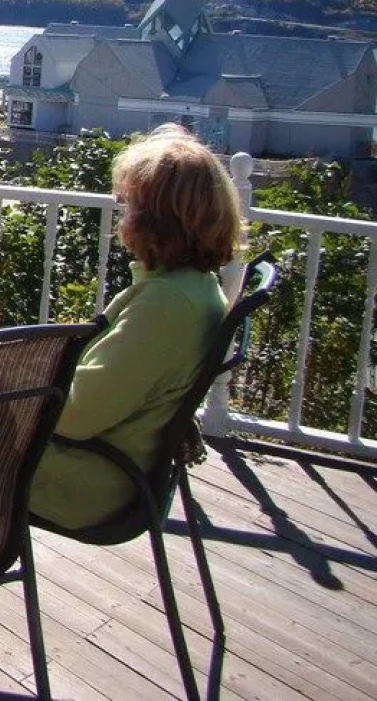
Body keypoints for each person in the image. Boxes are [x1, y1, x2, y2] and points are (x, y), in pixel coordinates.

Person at [29, 124, 244, 530]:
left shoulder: (167, 305)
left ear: (156, 220)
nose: (122, 215)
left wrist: (10, 390)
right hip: (109, 462)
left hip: (88, 481)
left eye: (127, 205)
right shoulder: (193, 288)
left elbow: (75, 416)